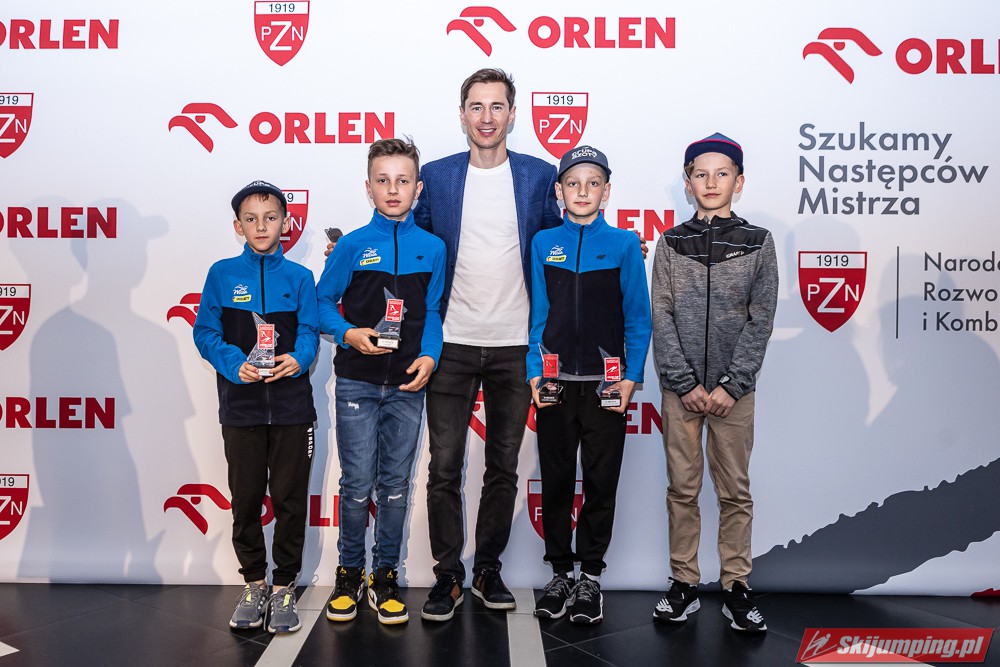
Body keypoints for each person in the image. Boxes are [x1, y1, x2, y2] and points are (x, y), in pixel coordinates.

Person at [411, 68, 563, 622]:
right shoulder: (437, 176)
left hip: (515, 346)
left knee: (502, 466)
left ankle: (487, 569)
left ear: (513, 114)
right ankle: (447, 575)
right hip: (450, 343)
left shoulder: (539, 176)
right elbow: (414, 244)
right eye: (476, 106)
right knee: (445, 467)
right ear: (462, 114)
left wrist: (615, 249)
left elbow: (558, 246)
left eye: (497, 106)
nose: (486, 117)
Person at [650, 133, 778, 633]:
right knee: (682, 490)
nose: (710, 182)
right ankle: (683, 583)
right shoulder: (670, 242)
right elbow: (661, 314)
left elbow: (761, 318)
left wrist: (732, 383)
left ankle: (736, 586)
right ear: (688, 184)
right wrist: (683, 382)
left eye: (721, 173)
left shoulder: (759, 242)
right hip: (680, 392)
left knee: (735, 492)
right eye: (700, 174)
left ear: (738, 182)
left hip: (734, 395)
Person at [317, 138, 446, 625]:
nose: (393, 189)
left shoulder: (433, 248)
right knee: (356, 484)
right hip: (357, 382)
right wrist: (348, 333)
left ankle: (385, 575)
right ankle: (349, 574)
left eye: (403, 180)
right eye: (383, 180)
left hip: (409, 386)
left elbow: (432, 312)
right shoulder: (351, 246)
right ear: (368, 187)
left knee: (394, 485)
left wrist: (430, 355)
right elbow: (322, 304)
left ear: (418, 187)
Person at [527, 146, 651, 624]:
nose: (583, 191)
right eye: (573, 183)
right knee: (556, 481)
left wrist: (631, 378)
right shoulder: (543, 243)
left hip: (607, 387)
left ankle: (591, 578)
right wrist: (534, 371)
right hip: (555, 384)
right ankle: (561, 573)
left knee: (601, 483)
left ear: (606, 191)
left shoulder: (624, 244)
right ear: (559, 191)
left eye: (593, 183)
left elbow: (637, 318)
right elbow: (538, 316)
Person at [193, 180, 319, 634]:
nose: (261, 226)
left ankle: (284, 587)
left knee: (290, 501)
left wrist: (299, 358)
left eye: (270, 218)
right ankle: (254, 584)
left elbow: (310, 331)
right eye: (251, 219)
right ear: (238, 226)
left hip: (292, 410)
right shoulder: (222, 274)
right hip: (242, 409)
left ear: (285, 223)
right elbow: (205, 332)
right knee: (245, 500)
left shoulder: (300, 278)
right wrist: (234, 364)